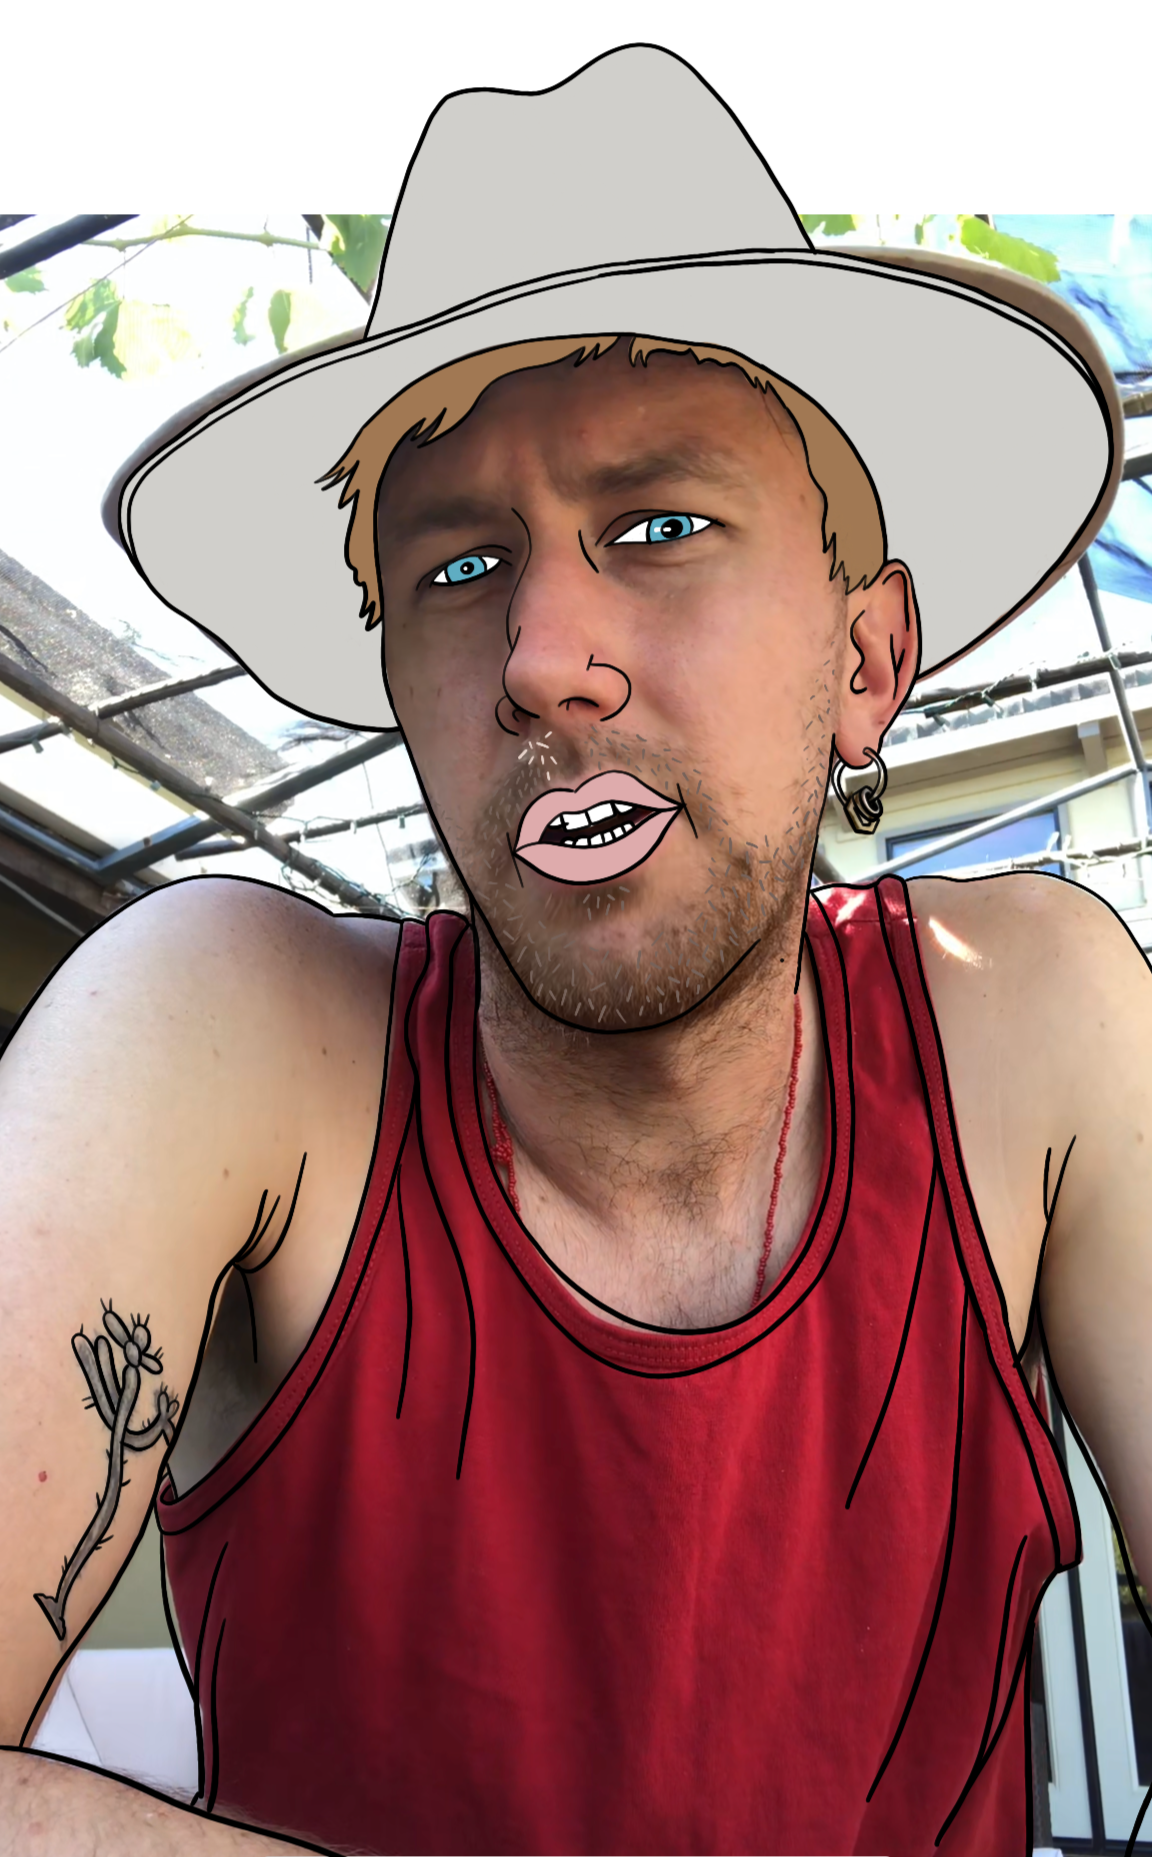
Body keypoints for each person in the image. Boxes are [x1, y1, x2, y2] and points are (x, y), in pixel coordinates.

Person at [1, 49, 1148, 1857]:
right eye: (457, 568)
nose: (543, 660)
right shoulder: (227, 1029)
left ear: (867, 664)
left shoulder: (1032, 1027)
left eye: (662, 527)